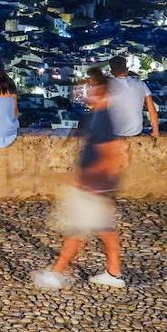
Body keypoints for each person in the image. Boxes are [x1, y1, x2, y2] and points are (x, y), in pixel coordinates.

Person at [33, 67, 128, 290]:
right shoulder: (99, 116)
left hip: (93, 186)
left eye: (88, 87)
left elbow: (113, 155)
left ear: (99, 89)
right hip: (99, 186)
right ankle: (114, 273)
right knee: (105, 230)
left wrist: (89, 181)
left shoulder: (102, 119)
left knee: (76, 231)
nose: (83, 91)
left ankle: (56, 274)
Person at [106, 56, 159, 138]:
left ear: (112, 72)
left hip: (114, 132)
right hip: (135, 132)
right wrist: (155, 132)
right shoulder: (140, 83)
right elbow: (152, 109)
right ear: (127, 69)